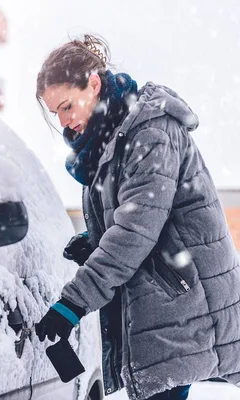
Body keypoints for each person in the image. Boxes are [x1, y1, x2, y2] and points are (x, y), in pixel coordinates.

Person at [33, 34, 240, 400]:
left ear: (93, 84)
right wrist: (95, 242)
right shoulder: (108, 142)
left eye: (67, 106)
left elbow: (133, 232)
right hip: (165, 299)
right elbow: (134, 222)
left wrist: (73, 303)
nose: (64, 122)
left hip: (185, 298)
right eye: (56, 114)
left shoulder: (150, 133)